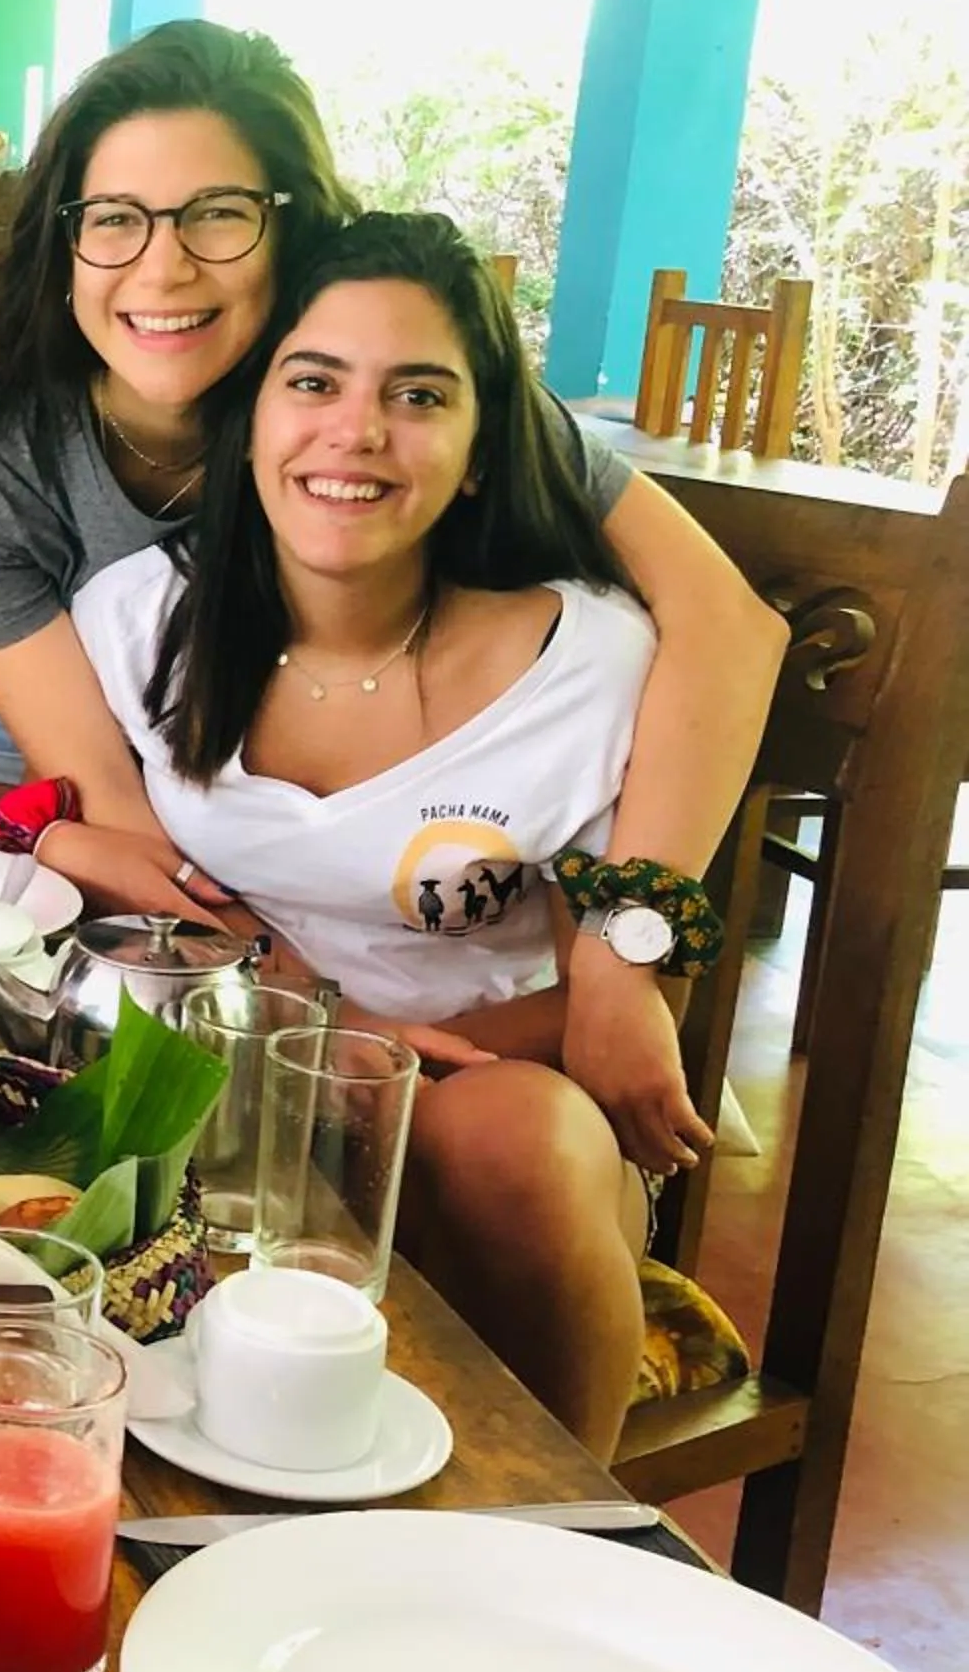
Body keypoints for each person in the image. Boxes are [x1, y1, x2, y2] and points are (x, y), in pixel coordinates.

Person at [0, 19, 783, 1181]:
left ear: (294, 235)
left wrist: (625, 955)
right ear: (64, 247)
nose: (162, 269)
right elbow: (121, 825)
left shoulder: (380, 404)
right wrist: (319, 1022)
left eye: (217, 214)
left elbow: (727, 622)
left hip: (339, 850)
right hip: (62, 797)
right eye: (113, 219)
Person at [69, 214, 715, 1452]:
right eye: (313, 383)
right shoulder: (139, 619)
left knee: (507, 1135)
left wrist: (376, 1071)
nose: (356, 433)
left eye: (419, 396)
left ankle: (561, 1521)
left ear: (478, 454)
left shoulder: (585, 661)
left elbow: (614, 999)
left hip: (494, 1120)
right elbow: (73, 845)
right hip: (228, 1093)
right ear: (253, 416)